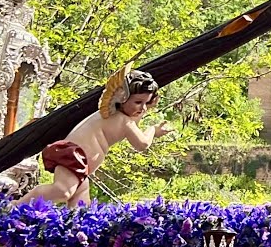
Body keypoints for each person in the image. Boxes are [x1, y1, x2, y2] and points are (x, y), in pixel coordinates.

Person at [17, 66, 172, 206]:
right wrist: (153, 130)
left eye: (146, 103)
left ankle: (72, 233)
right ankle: (15, 207)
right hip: (74, 156)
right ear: (123, 97)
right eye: (139, 102)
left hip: (81, 167)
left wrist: (143, 109)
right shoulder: (122, 120)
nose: (143, 108)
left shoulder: (119, 117)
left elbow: (134, 119)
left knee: (80, 205)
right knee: (62, 191)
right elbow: (142, 144)